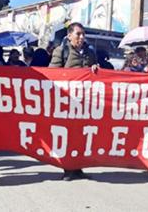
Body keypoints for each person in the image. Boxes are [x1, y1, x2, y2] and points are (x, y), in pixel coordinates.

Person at [49, 22, 97, 181]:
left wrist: (95, 68)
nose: (82, 37)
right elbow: (52, 73)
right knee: (67, 136)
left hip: (84, 103)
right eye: (78, 34)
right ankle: (68, 168)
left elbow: (95, 71)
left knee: (81, 137)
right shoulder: (61, 51)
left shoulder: (90, 52)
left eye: (83, 34)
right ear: (69, 36)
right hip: (66, 102)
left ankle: (78, 167)